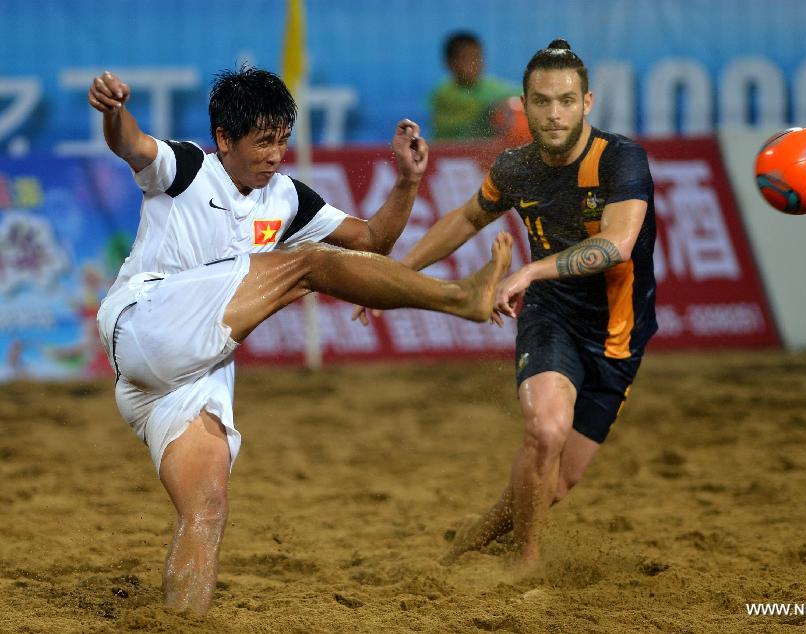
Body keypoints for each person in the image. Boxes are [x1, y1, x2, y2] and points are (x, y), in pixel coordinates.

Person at [87, 65, 512, 615]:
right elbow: (132, 144)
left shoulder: (286, 197)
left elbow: (373, 240)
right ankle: (459, 299)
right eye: (263, 142)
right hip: (145, 321)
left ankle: (179, 622)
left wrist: (407, 182)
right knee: (309, 264)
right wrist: (115, 111)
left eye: (282, 141)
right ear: (224, 139)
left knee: (207, 508)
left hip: (186, 375)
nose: (274, 154)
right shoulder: (188, 168)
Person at [354, 40, 657, 567]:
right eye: (541, 101)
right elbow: (466, 219)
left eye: (566, 100)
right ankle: (527, 561)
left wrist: (531, 269)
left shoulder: (621, 159)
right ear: (524, 102)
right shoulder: (516, 166)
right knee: (544, 431)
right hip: (549, 317)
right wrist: (394, 277)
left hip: (619, 334)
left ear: (587, 103)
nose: (554, 113)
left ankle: (478, 534)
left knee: (557, 485)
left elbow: (619, 244)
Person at [429, 31, 519, 140]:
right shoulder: (443, 93)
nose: (474, 63)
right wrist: (497, 106)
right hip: (450, 152)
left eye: (477, 57)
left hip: (480, 150)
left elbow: (521, 93)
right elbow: (475, 110)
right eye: (466, 58)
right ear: (449, 63)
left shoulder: (491, 86)